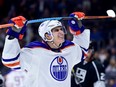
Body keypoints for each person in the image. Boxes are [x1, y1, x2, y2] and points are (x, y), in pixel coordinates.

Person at [2, 12, 90, 87]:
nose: (61, 32)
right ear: (47, 35)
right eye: (56, 30)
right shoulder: (35, 51)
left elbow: (83, 50)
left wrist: (77, 27)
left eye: (61, 29)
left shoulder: (69, 49)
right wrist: (13, 34)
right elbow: (10, 61)